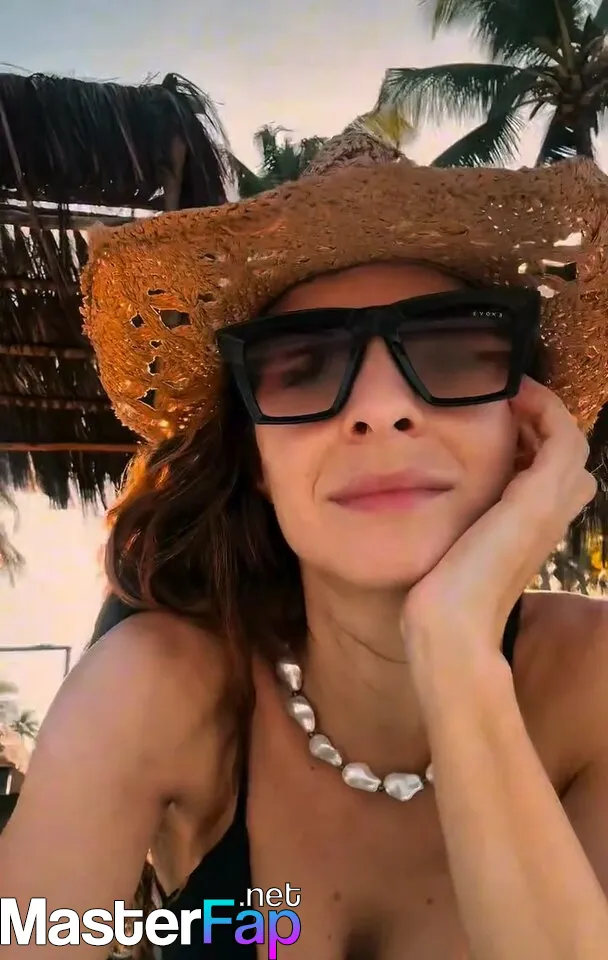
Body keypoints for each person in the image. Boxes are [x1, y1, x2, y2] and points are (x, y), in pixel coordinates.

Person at [2, 133, 608, 960]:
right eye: (303, 368)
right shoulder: (152, 690)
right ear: (257, 461)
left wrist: (456, 648)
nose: (381, 410)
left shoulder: (594, 684)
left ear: (528, 434)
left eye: (451, 352)